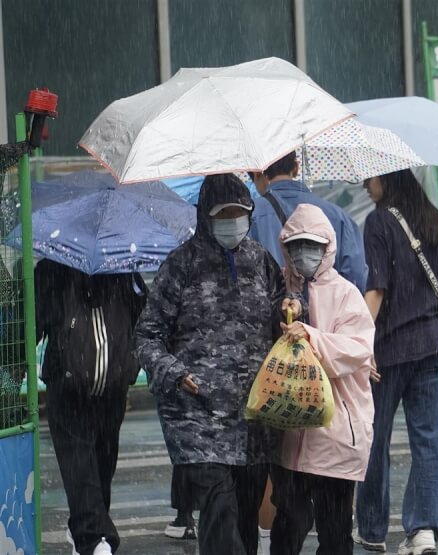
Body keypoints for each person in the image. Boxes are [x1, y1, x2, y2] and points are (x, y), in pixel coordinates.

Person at [134, 173, 286, 555]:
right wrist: (176, 374)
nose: (233, 221)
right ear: (205, 215)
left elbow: (283, 321)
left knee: (245, 520)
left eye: (241, 212)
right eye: (224, 213)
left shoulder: (261, 261)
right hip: (198, 419)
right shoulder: (180, 265)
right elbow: (147, 336)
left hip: (255, 419)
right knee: (219, 512)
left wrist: (295, 314)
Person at [355, 169, 438, 555]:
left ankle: (373, 529)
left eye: (370, 178)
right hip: (432, 346)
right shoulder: (435, 221)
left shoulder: (379, 221)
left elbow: (376, 290)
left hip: (389, 350)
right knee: (428, 443)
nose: (366, 184)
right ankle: (423, 529)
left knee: (374, 441)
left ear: (389, 180)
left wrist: (359, 343)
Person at [269, 203, 375, 555]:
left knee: (335, 534)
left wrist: (311, 337)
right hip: (291, 436)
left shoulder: (346, 293)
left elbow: (358, 348)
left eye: (312, 246)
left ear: (327, 246)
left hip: (335, 438)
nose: (304, 254)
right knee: (289, 525)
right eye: (296, 246)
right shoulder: (278, 291)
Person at [35, 260, 147, 555]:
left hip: (111, 391)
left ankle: (85, 530)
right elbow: (32, 325)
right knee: (79, 467)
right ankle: (97, 539)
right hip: (68, 391)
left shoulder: (123, 268)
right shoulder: (52, 271)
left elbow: (143, 320)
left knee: (101, 468)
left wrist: (131, 365)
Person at [248, 150, 368, 292]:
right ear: (296, 168)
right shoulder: (339, 217)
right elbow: (355, 278)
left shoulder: (249, 217)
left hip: (273, 311)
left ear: (257, 173)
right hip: (328, 311)